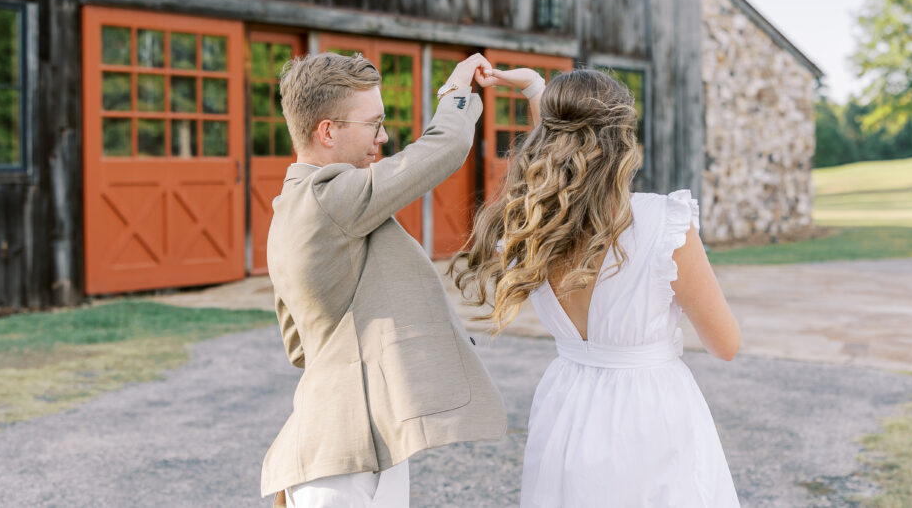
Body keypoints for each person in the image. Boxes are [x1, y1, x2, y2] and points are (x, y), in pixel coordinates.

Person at [452, 67, 742, 507]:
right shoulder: (663, 223)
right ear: (624, 139)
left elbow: (555, 140)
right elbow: (726, 344)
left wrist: (537, 90)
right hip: (649, 411)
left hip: (568, 402)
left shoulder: (532, 224)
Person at [261, 51, 507, 508]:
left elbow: (299, 346)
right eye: (373, 124)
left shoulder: (286, 208)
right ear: (328, 131)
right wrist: (456, 91)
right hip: (346, 462)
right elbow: (443, 150)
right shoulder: (330, 198)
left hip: (335, 445)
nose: (384, 136)